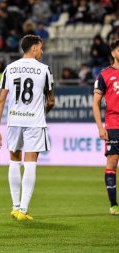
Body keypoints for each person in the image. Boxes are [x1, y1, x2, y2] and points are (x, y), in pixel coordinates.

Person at [0, 35, 55, 221]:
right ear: (34, 48)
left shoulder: (9, 68)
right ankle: (24, 210)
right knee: (30, 163)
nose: (42, 52)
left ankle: (15, 207)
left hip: (14, 121)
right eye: (41, 48)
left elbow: (1, 100)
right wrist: (43, 111)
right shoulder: (44, 70)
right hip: (34, 121)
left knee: (14, 160)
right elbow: (51, 100)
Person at [92, 39, 119, 215]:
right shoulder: (104, 75)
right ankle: (113, 204)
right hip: (113, 125)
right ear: (113, 53)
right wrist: (100, 128)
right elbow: (96, 103)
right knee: (112, 162)